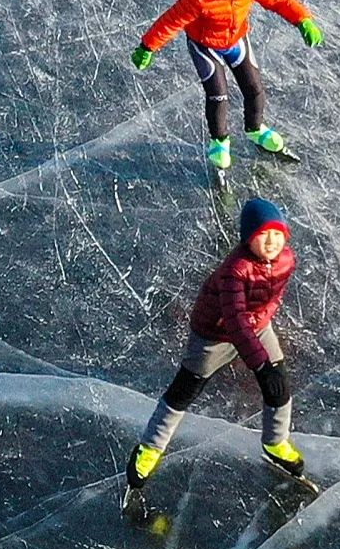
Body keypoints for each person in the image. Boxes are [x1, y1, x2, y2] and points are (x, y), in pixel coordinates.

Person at [126, 197, 306, 492]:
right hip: (215, 333)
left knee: (279, 385)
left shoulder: (286, 260)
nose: (272, 241)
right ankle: (150, 448)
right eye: (263, 235)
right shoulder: (235, 271)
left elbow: (269, 299)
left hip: (258, 327)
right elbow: (234, 320)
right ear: (249, 239)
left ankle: (276, 442)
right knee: (184, 391)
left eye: (277, 233)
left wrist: (267, 360)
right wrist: (260, 365)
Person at [131, 0, 323, 171]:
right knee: (218, 95)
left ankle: (255, 129)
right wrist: (148, 46)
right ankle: (219, 142)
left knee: (254, 89)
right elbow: (172, 21)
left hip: (236, 41)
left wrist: (302, 19)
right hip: (205, 46)